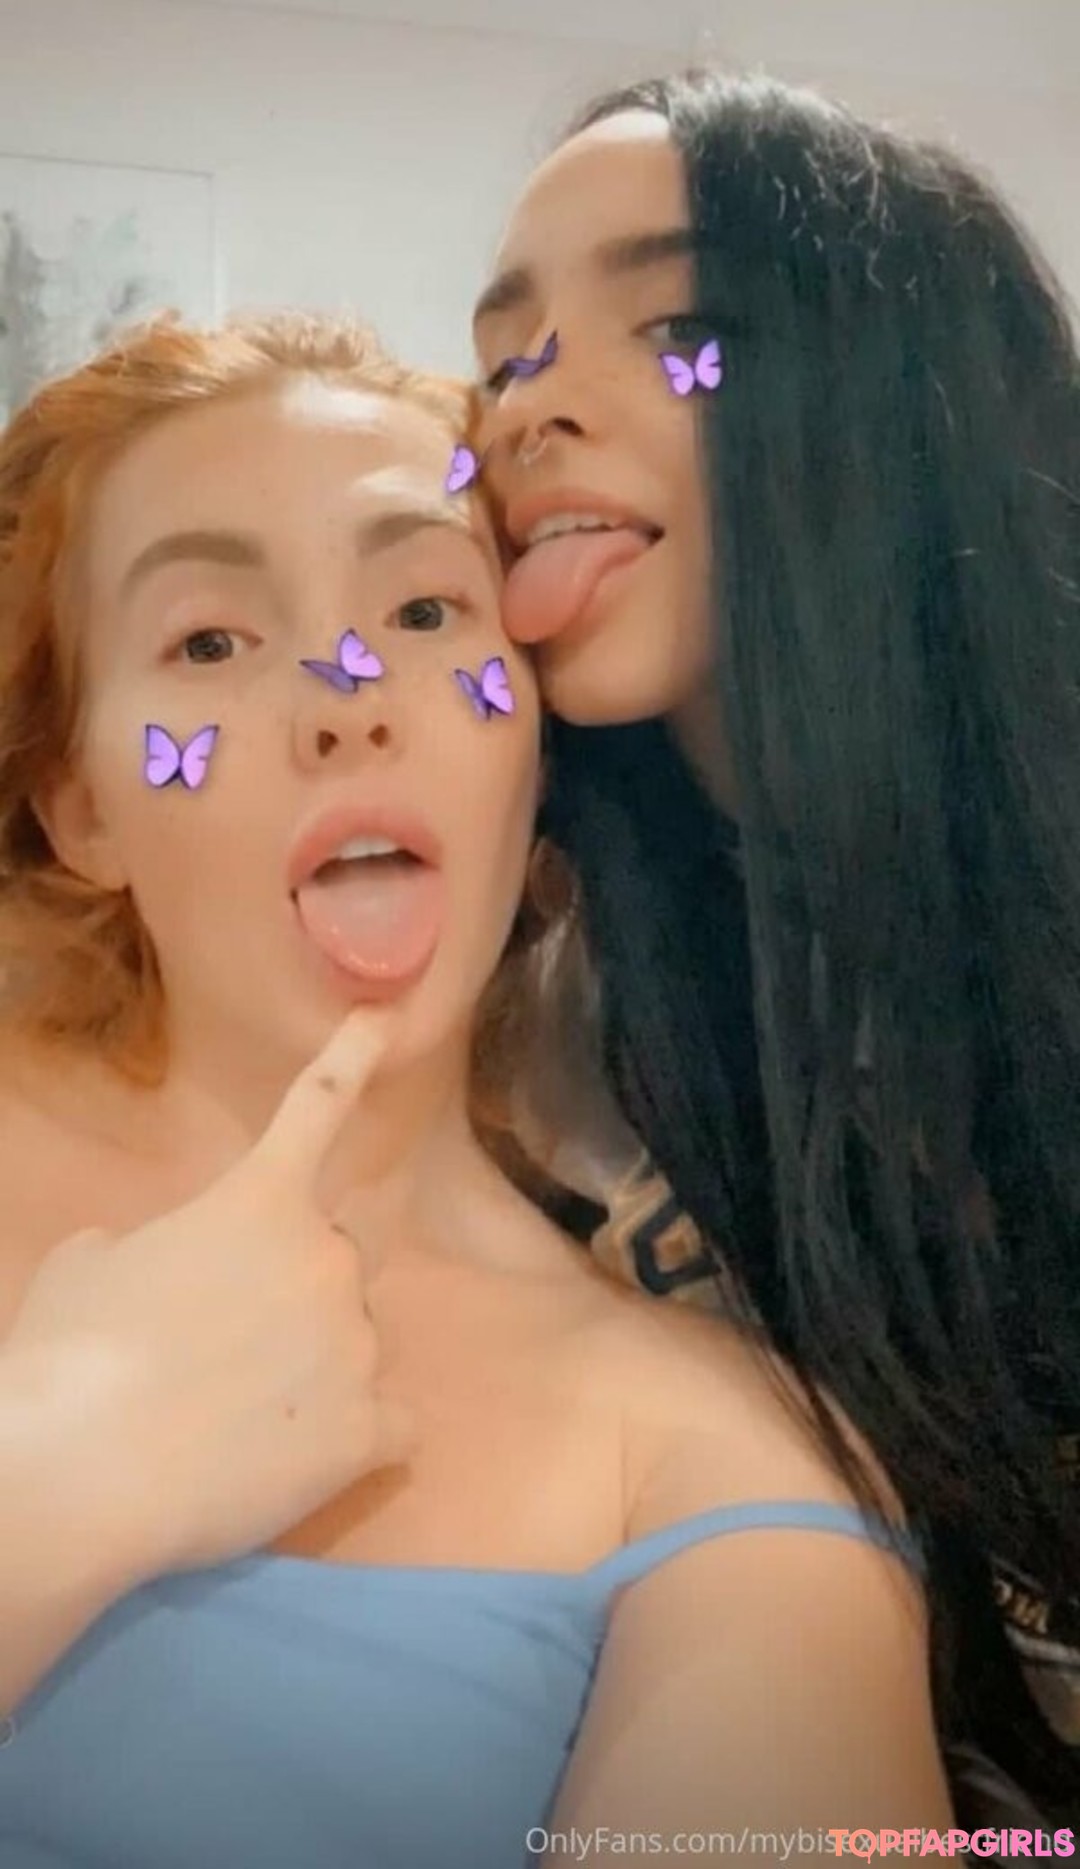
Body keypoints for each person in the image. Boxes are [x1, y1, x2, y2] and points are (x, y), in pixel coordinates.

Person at [0, 311, 951, 1867]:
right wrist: (48, 1488)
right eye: (209, 642)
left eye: (428, 608)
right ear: (79, 804)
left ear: (535, 749)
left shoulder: (708, 1462)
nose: (347, 694)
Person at [471, 68, 1080, 1817]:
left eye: (679, 331)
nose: (530, 405)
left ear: (903, 405)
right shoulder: (543, 1009)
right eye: (502, 356)